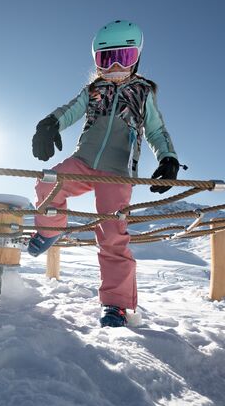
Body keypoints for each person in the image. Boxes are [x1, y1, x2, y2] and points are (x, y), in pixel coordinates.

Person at [29, 20, 180, 327]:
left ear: (136, 59)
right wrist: (48, 124)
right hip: (83, 162)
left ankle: (116, 304)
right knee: (49, 182)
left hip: (117, 172)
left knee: (112, 236)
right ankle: (50, 229)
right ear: (96, 62)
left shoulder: (142, 92)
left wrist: (167, 159)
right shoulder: (93, 90)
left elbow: (156, 130)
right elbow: (69, 110)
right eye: (105, 59)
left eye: (122, 57)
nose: (113, 66)